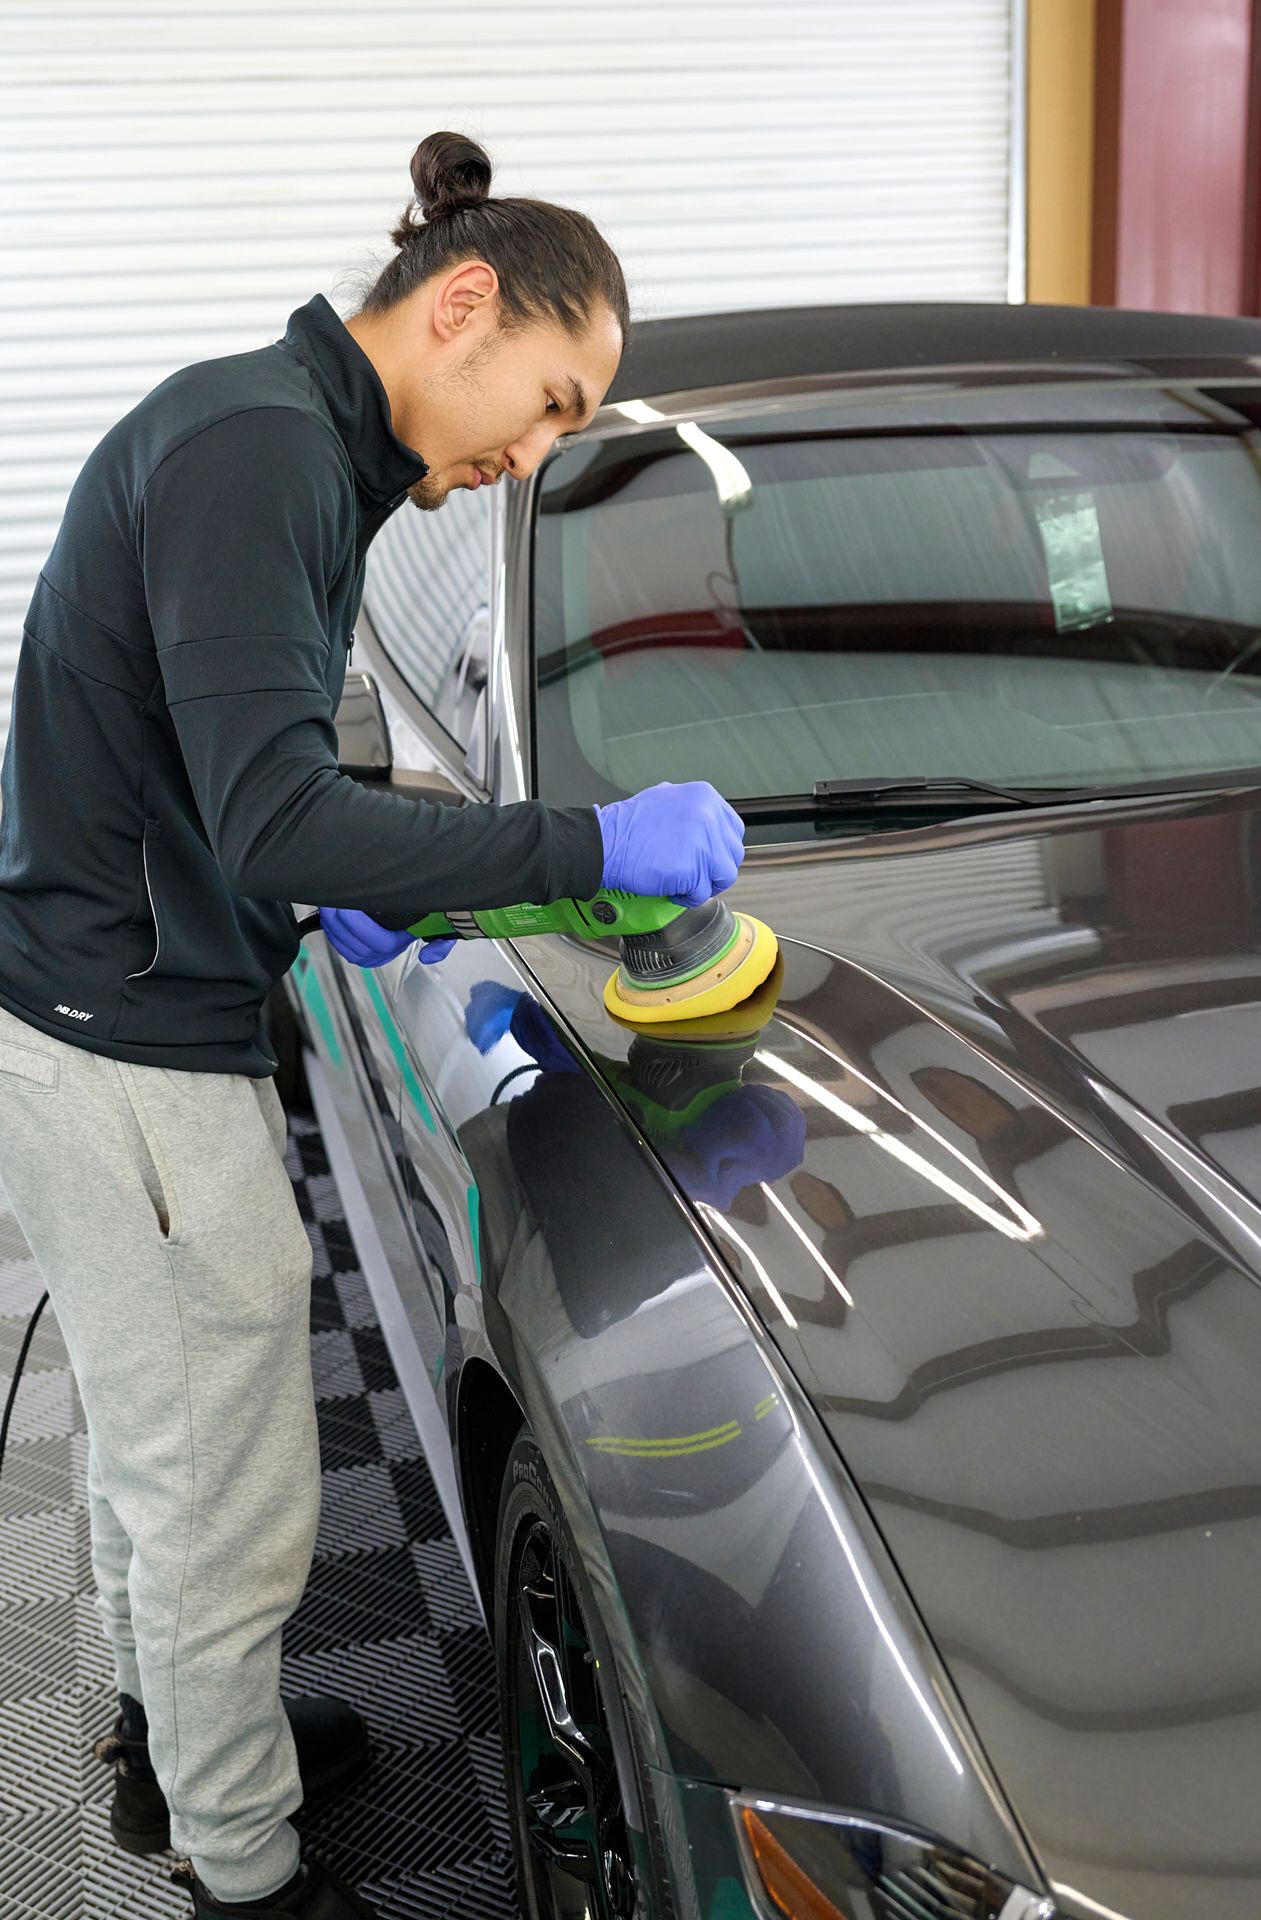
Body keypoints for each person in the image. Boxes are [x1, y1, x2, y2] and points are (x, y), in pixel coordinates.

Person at [0, 131, 745, 1920]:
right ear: (464, 305)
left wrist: (326, 866)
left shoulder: (294, 443)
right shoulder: (264, 448)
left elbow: (231, 773)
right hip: (128, 1051)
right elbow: (272, 811)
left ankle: (166, 1737)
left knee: (150, 1417)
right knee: (229, 1485)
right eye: (553, 401)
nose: (535, 457)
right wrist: (583, 847)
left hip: (103, 1000)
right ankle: (241, 1865)